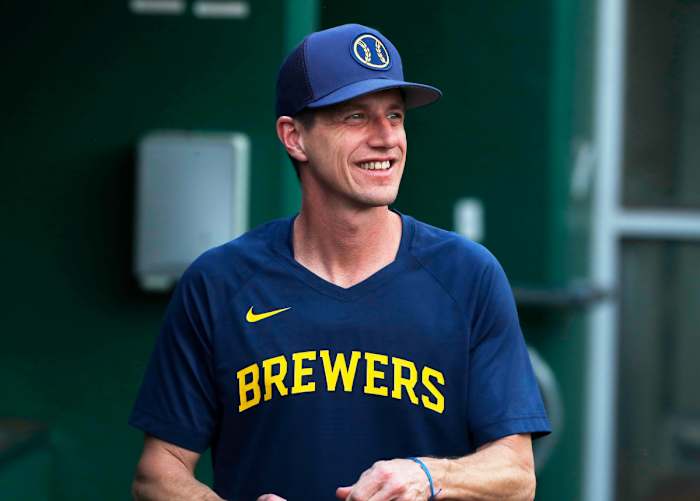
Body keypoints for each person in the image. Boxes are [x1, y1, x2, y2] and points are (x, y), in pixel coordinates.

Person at [129, 23, 551, 501]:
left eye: (395, 115)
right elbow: (157, 473)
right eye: (356, 117)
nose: (386, 138)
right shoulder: (220, 282)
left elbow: (517, 474)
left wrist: (428, 477)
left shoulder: (467, 274)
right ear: (295, 138)